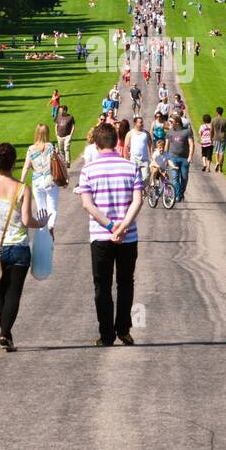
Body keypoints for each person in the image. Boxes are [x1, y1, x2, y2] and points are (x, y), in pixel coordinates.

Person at [75, 122, 145, 346]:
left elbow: (87, 205)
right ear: (116, 142)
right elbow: (138, 200)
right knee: (125, 283)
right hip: (128, 235)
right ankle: (123, 329)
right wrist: (122, 226)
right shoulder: (130, 167)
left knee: (102, 285)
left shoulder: (88, 170)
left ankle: (106, 334)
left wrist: (110, 226)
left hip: (100, 235)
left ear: (96, 144)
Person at [0, 142, 48, 352]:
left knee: (0, 294)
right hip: (17, 245)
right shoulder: (22, 188)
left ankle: (5, 333)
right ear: (13, 163)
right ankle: (5, 333)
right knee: (14, 293)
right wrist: (40, 223)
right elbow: (26, 220)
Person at [23, 123, 61, 239]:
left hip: (37, 181)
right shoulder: (51, 147)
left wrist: (21, 182)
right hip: (50, 179)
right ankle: (50, 225)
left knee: (41, 208)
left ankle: (42, 231)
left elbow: (26, 167)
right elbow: (58, 163)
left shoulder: (31, 149)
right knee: (52, 208)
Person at [166, 117, 193, 202]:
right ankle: (177, 195)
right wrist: (166, 158)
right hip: (173, 158)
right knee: (175, 178)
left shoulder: (187, 131)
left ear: (177, 122)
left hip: (184, 158)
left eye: (171, 121)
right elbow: (166, 145)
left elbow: (191, 144)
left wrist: (190, 156)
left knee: (184, 178)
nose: (170, 123)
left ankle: (181, 193)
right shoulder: (169, 131)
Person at [210, 107, 226, 173]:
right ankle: (220, 168)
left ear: (216, 112)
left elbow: (211, 130)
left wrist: (211, 138)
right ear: (222, 112)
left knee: (216, 151)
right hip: (223, 138)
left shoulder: (213, 120)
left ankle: (217, 162)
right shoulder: (225, 121)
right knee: (222, 152)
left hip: (216, 137)